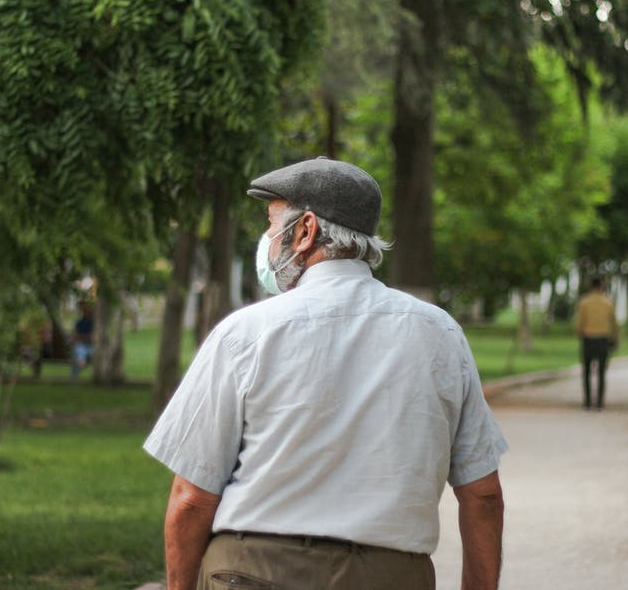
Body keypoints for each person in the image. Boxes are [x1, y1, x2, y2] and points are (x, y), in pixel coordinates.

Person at [144, 157, 507, 590]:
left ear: (305, 230)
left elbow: (191, 498)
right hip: (390, 576)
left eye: (272, 222)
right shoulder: (441, 335)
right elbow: (483, 495)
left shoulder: (245, 334)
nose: (267, 239)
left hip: (253, 572)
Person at [575, 276, 619, 411]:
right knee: (601, 373)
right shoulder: (608, 303)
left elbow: (579, 324)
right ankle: (599, 403)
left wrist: (580, 335)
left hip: (588, 339)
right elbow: (615, 324)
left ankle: (587, 402)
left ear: (591, 287)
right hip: (602, 340)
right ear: (601, 287)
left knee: (587, 372)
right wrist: (614, 338)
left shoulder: (584, 303)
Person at [70, 303, 94, 379]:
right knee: (79, 350)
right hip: (81, 345)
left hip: (91, 346)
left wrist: (82, 337)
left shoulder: (94, 322)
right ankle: (82, 364)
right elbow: (75, 335)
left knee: (89, 352)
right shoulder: (79, 322)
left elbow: (93, 337)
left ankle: (83, 363)